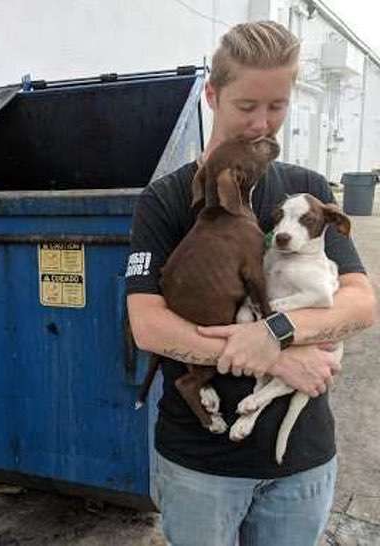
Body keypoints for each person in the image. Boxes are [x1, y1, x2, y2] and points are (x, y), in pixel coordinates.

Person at [125, 20, 377, 546]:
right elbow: (148, 326)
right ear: (212, 95)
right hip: (202, 466)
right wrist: (275, 356)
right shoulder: (167, 200)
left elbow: (358, 304)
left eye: (278, 106)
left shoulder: (305, 191)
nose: (263, 124)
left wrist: (277, 331)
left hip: (301, 462)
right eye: (247, 107)